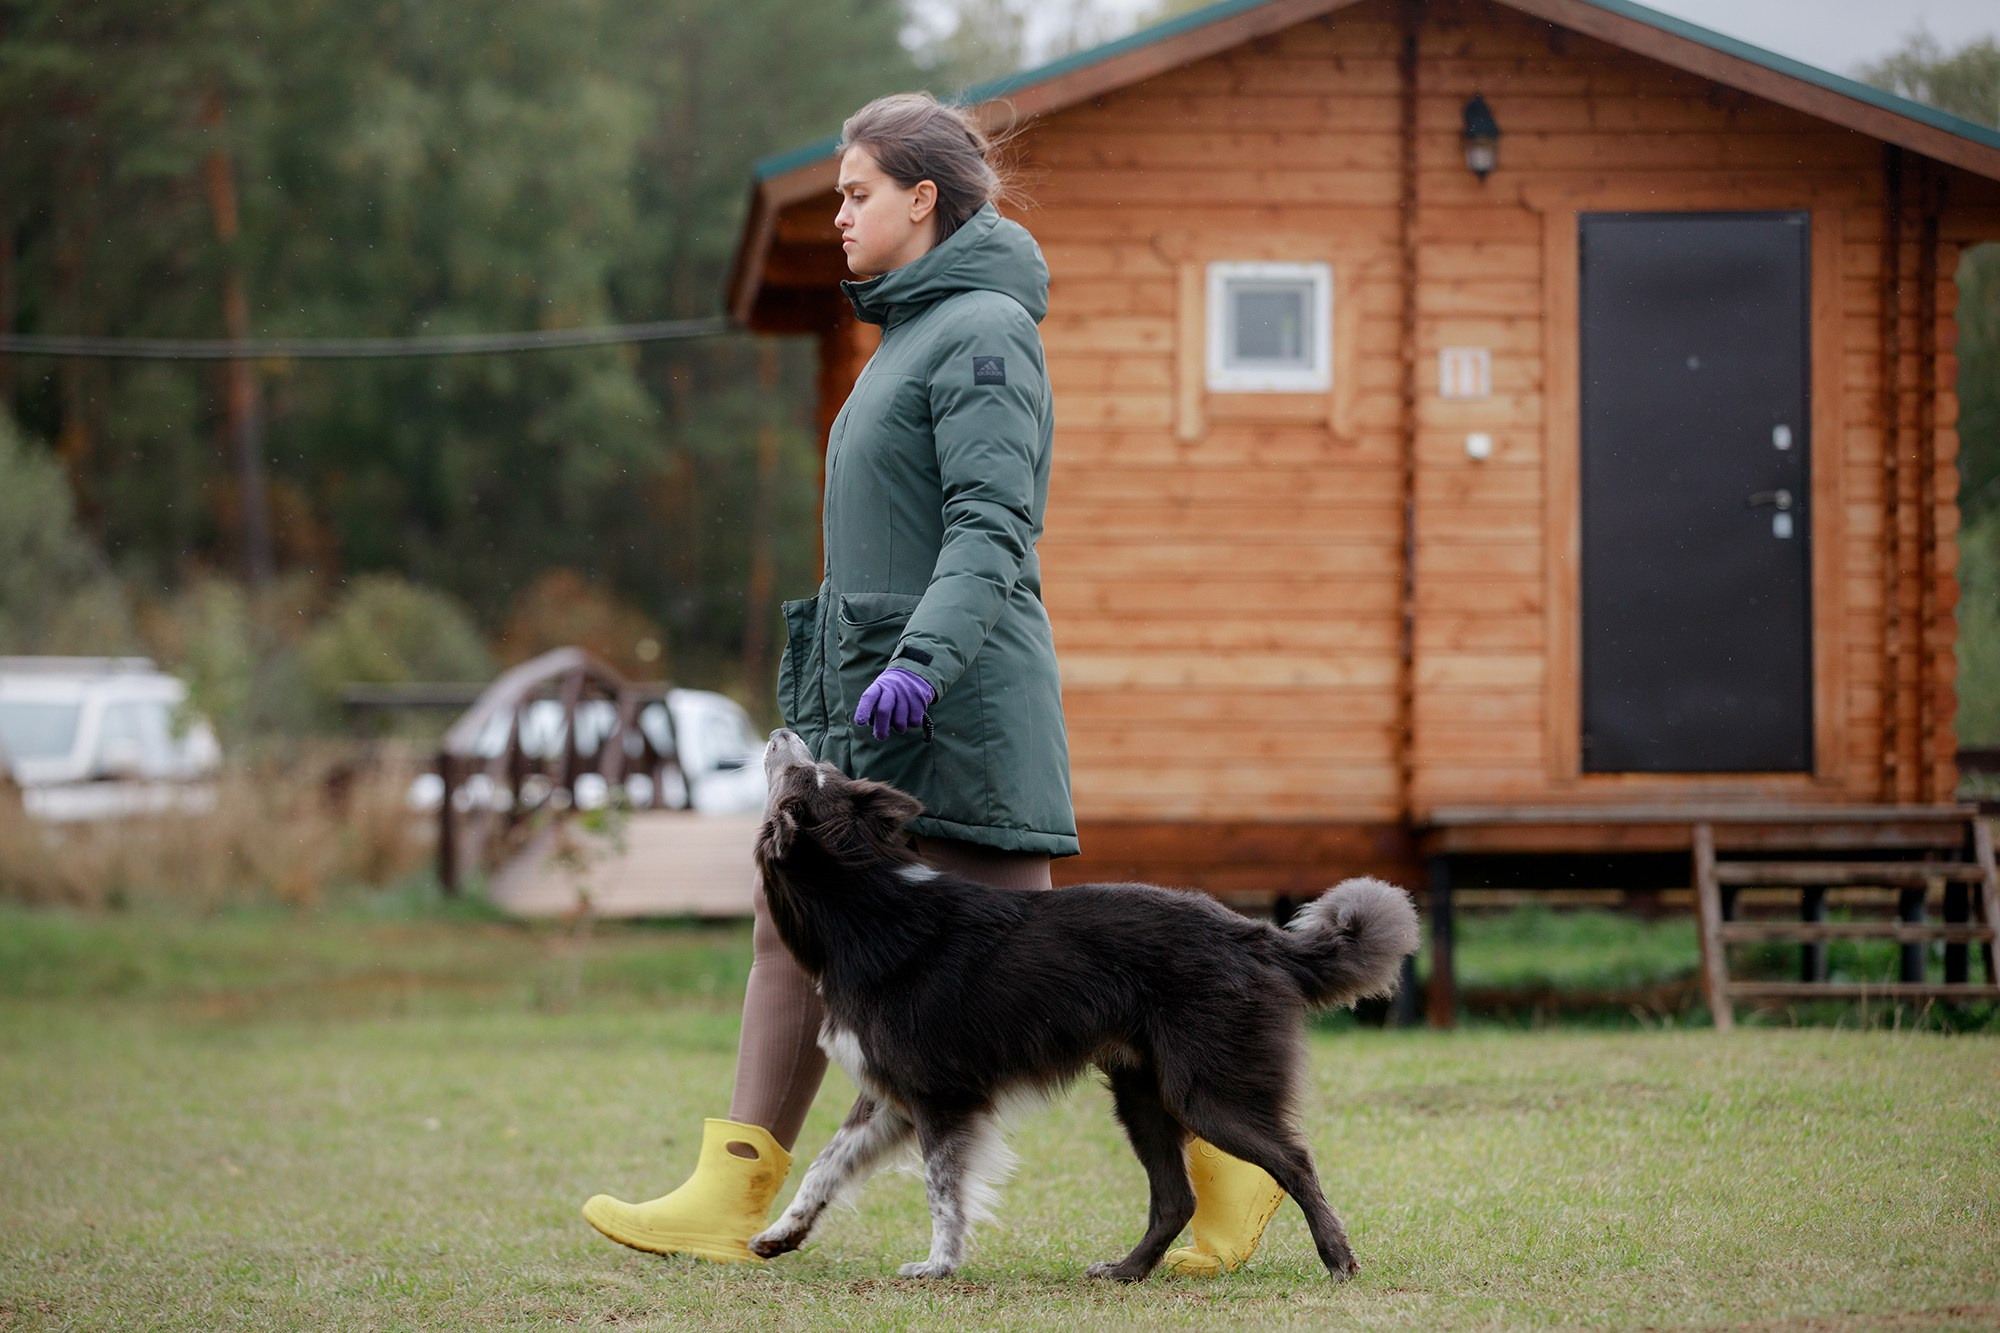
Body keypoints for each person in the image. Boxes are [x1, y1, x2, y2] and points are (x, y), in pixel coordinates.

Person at [581, 91, 1282, 1277]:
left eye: (857, 194)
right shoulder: (909, 335)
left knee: (1063, 969)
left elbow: (991, 526)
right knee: (785, 924)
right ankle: (730, 1189)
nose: (838, 218)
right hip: (875, 701)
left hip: (953, 706)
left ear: (924, 200)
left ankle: (1238, 1167)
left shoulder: (983, 334)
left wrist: (920, 662)